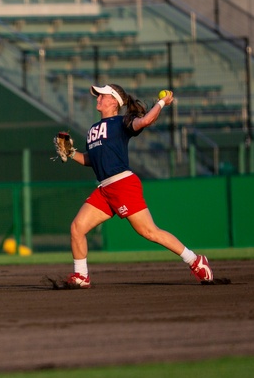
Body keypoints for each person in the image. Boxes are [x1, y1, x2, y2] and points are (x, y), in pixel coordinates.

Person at [57, 83, 213, 288]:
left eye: (102, 95)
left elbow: (147, 120)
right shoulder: (93, 130)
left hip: (122, 184)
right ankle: (81, 276)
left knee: (149, 232)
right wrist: (70, 153)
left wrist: (162, 102)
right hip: (105, 189)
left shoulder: (123, 122)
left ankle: (194, 260)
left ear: (114, 101)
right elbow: (90, 159)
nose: (98, 98)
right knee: (77, 228)